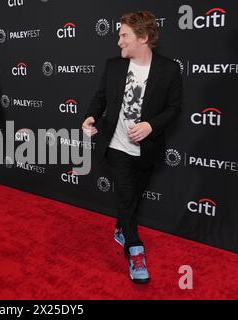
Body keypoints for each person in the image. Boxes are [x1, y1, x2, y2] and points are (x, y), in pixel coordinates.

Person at [82, 11, 182, 283]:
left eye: (124, 35)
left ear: (144, 37)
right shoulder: (113, 65)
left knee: (133, 198)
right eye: (119, 35)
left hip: (146, 149)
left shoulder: (169, 69)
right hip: (116, 145)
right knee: (126, 198)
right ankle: (135, 250)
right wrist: (90, 116)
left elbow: (174, 108)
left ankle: (120, 228)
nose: (119, 42)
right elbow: (100, 97)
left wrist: (151, 125)